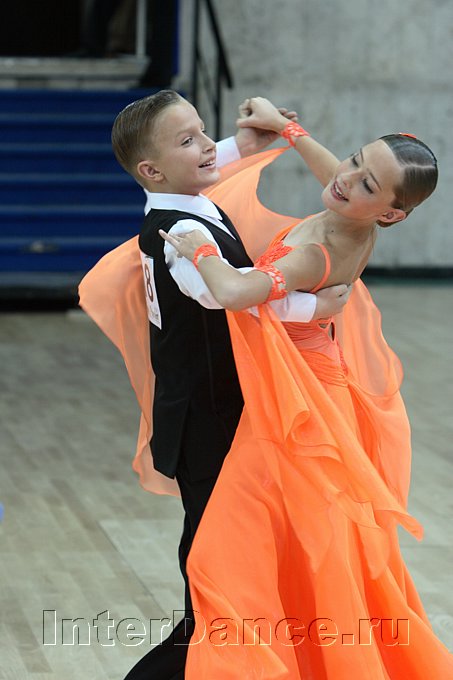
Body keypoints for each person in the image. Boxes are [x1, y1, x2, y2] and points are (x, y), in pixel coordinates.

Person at [160, 97, 453, 678]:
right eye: (354, 159)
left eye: (366, 182)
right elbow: (334, 173)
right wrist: (286, 128)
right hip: (308, 382)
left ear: (391, 215)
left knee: (239, 545)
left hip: (300, 407)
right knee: (302, 539)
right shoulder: (356, 212)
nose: (345, 177)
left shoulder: (316, 253)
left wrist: (200, 250)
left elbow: (236, 294)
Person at [79, 90, 350, 680]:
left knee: (222, 563)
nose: (207, 146)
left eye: (204, 132)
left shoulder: (179, 199)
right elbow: (231, 297)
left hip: (207, 415)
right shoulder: (180, 233)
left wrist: (241, 144)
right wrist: (315, 307)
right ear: (153, 170)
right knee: (215, 574)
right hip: (207, 424)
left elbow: (189, 163)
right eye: (190, 140)